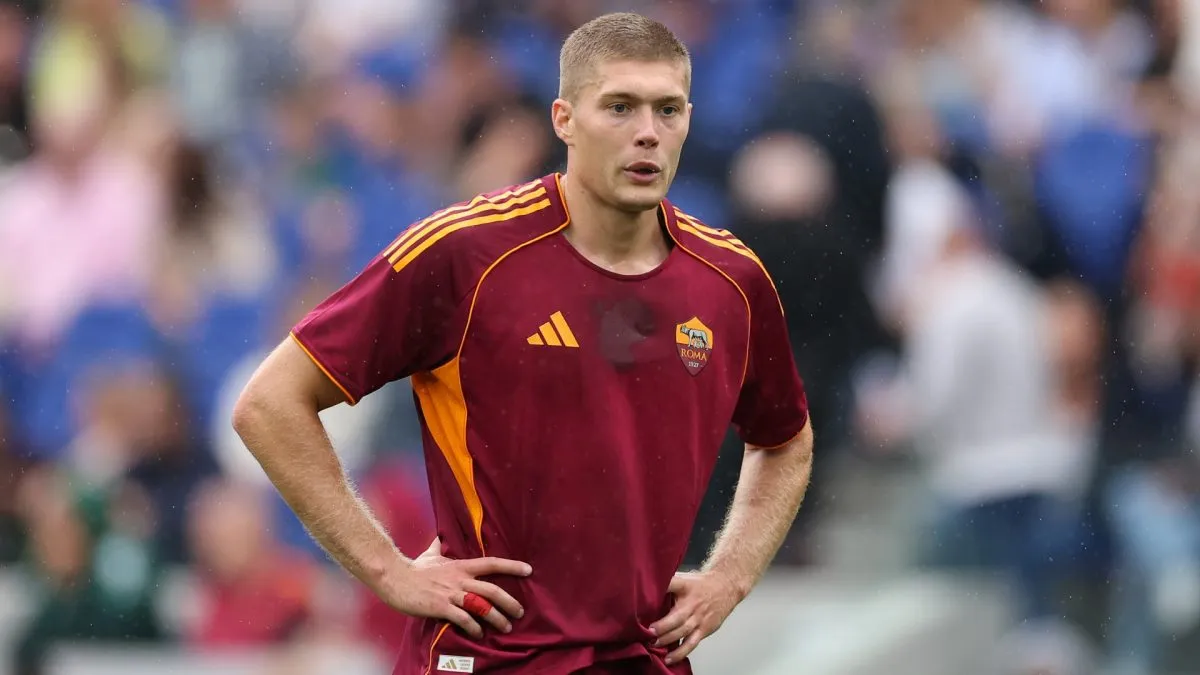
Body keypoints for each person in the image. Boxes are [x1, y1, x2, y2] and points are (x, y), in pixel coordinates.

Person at [232, 12, 813, 675]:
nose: (647, 132)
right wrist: (385, 568)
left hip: (643, 660)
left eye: (668, 109)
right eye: (620, 107)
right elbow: (271, 403)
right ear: (564, 120)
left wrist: (728, 576)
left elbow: (786, 439)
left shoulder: (730, 281)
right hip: (490, 657)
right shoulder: (464, 253)